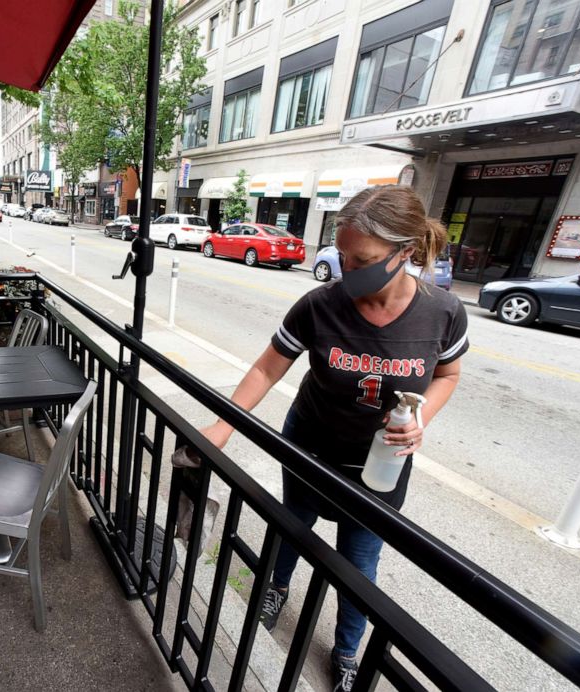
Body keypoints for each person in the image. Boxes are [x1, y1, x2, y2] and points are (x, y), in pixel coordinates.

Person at [198, 186, 468, 692]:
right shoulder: (320, 305)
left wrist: (421, 417)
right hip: (308, 445)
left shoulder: (443, 312)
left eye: (360, 258)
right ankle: (274, 589)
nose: (347, 267)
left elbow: (448, 375)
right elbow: (266, 368)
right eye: (341, 253)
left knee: (359, 561)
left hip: (381, 462)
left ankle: (347, 652)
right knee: (291, 527)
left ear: (404, 252)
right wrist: (224, 424)